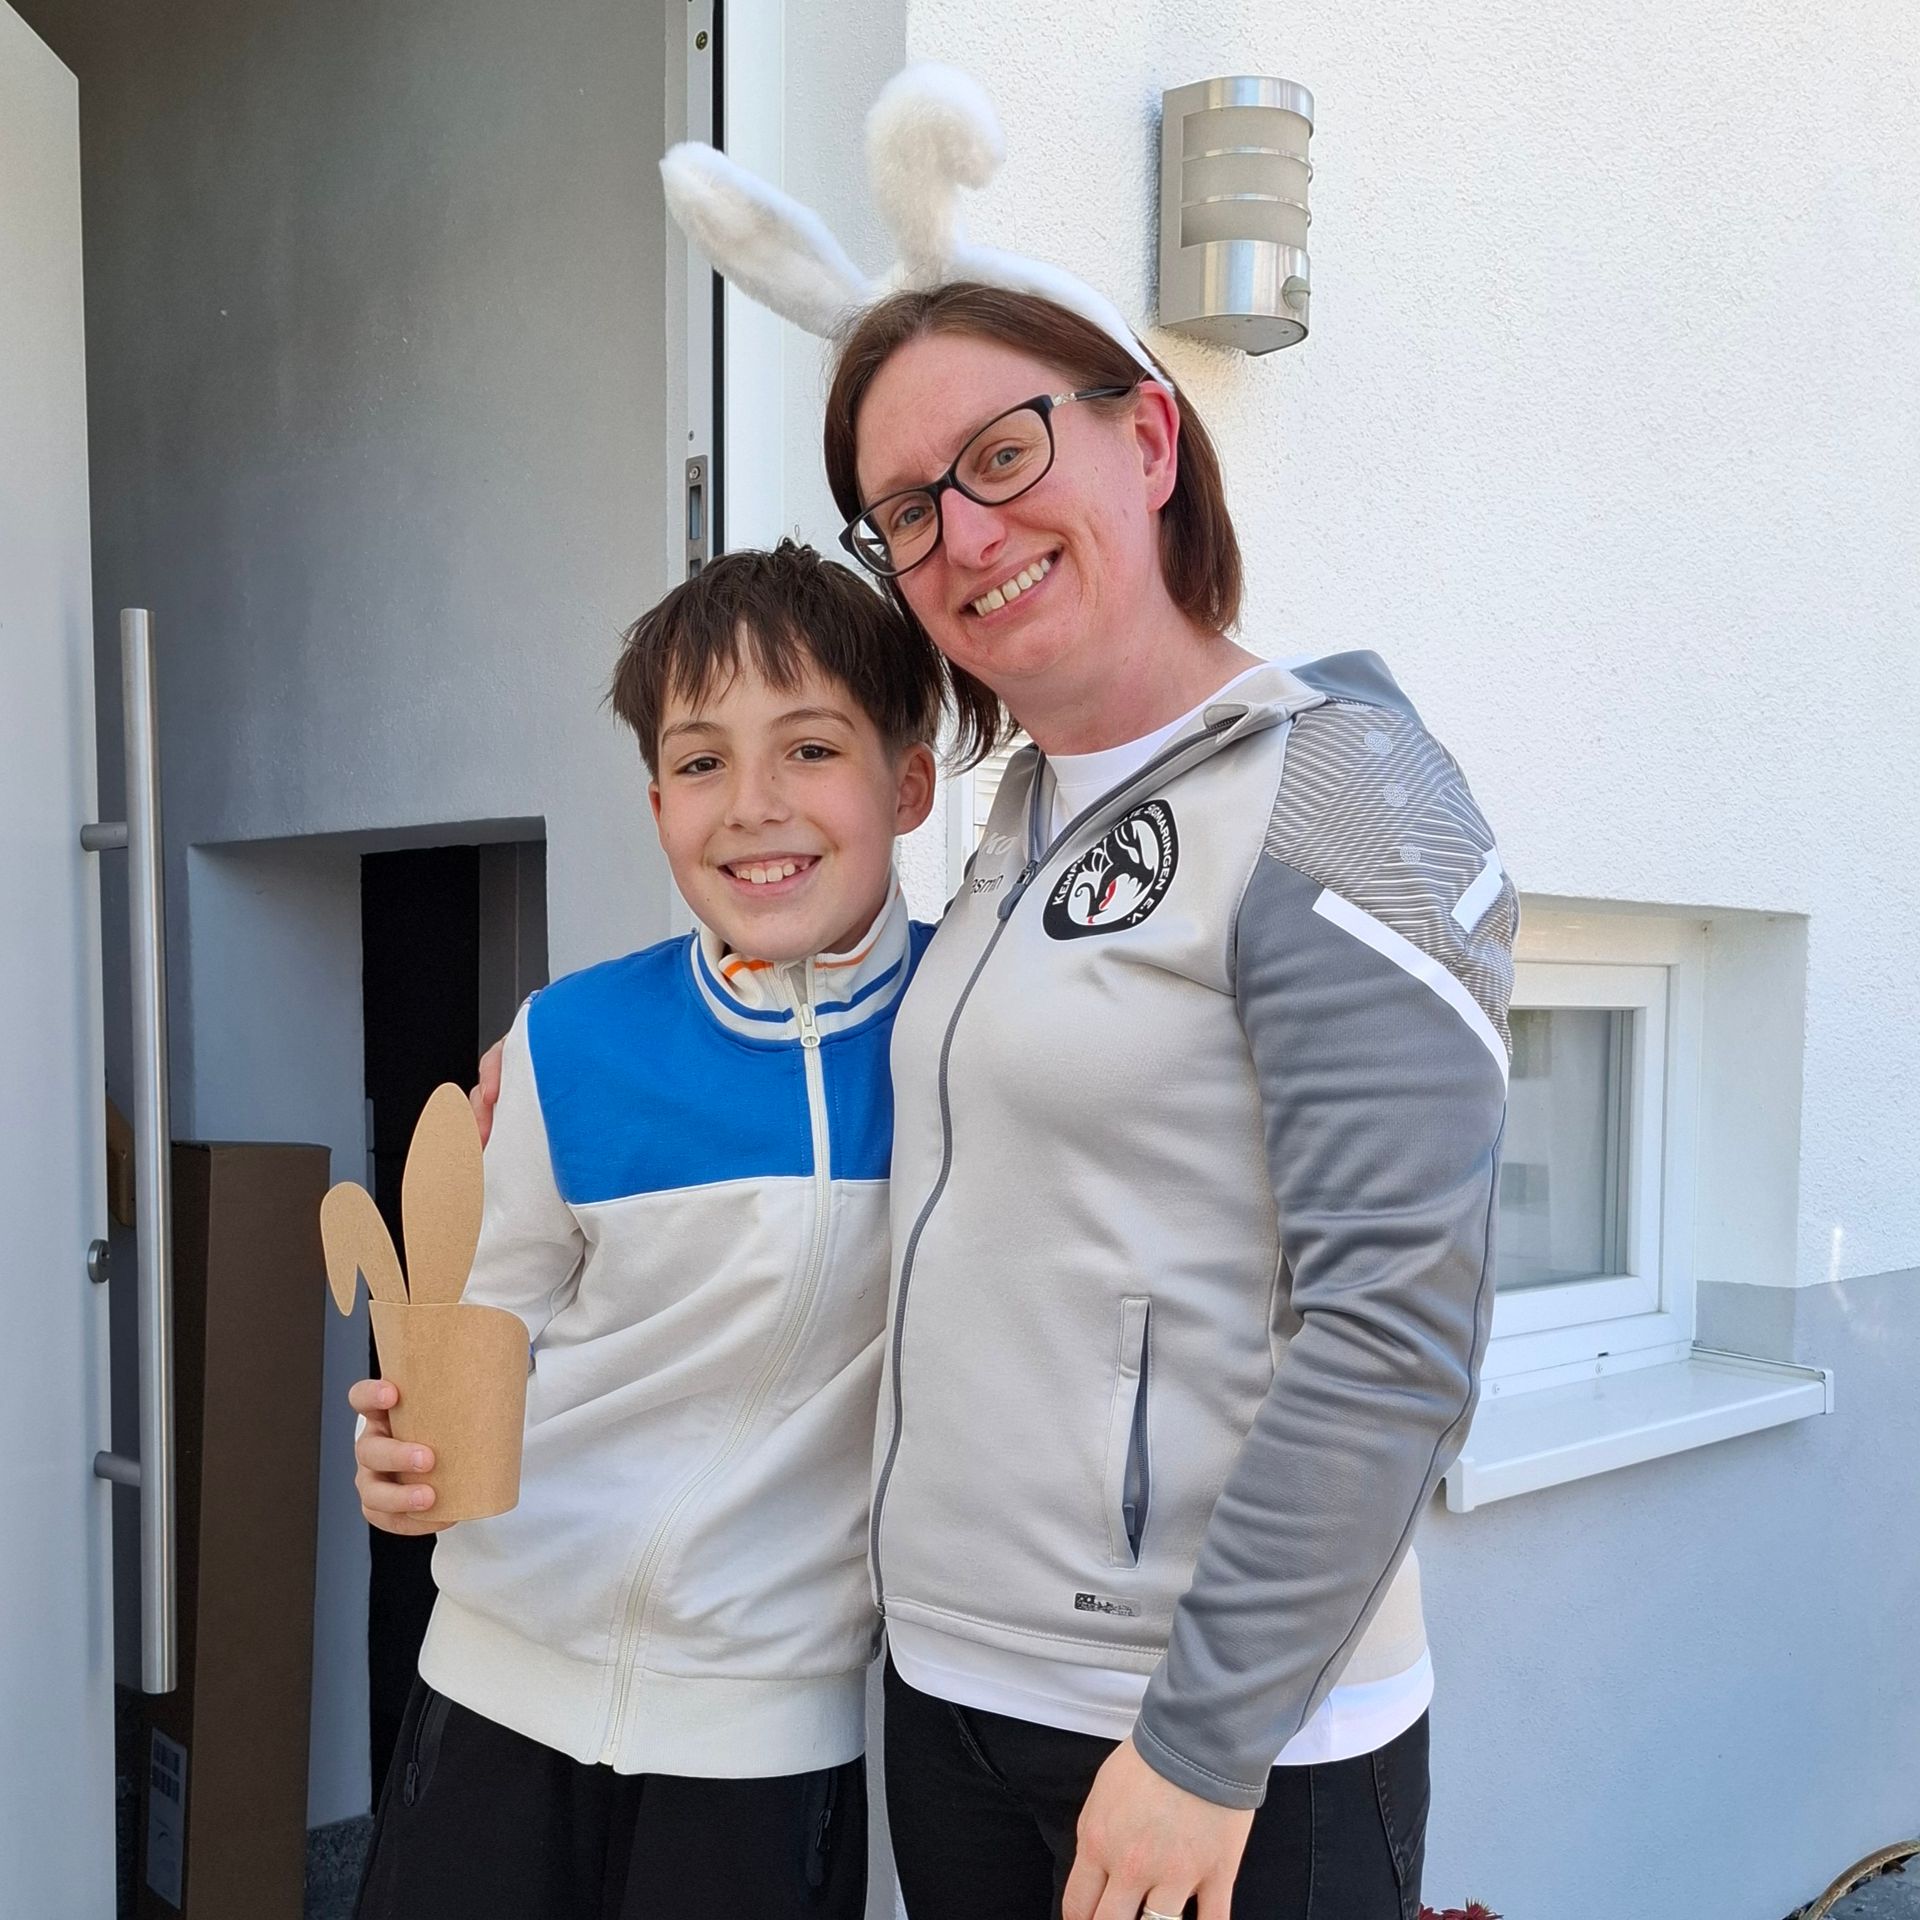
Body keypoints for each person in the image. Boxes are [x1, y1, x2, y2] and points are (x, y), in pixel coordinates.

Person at [817, 286, 1514, 1920]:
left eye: (1002, 454)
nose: (963, 535)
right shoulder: (1016, 822)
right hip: (956, 1694)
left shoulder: (1341, 789)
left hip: (1211, 1745)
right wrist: (563, 1055)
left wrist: (1204, 1745)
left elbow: (1397, 1328)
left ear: (1147, 441)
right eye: (905, 511)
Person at [347, 540, 957, 1920]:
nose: (753, 806)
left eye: (811, 749)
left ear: (909, 782)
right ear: (657, 801)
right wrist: (400, 1452)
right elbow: (482, 1330)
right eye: (700, 762)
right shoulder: (569, 1040)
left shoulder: (974, 1030)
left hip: (766, 1740)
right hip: (492, 1689)